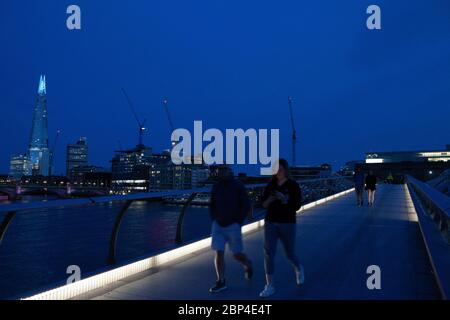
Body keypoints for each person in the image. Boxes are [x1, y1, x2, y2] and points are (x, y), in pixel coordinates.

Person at [259, 158, 304, 298]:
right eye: (276, 169)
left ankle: (298, 268)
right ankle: (269, 285)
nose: (278, 171)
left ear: (285, 170)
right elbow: (264, 205)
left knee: (289, 253)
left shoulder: (293, 185)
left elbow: (297, 206)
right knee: (268, 253)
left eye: (280, 168)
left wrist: (285, 200)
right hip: (271, 222)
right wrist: (272, 198)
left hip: (287, 223)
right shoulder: (270, 185)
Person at [209, 168, 253, 293]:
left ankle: (247, 264)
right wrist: (214, 218)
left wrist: (238, 221)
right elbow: (212, 204)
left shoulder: (237, 185)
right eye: (220, 171)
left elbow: (245, 204)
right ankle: (221, 281)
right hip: (218, 224)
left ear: (229, 172)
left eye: (224, 171)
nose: (221, 173)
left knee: (236, 254)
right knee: (218, 252)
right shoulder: (216, 186)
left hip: (233, 225)